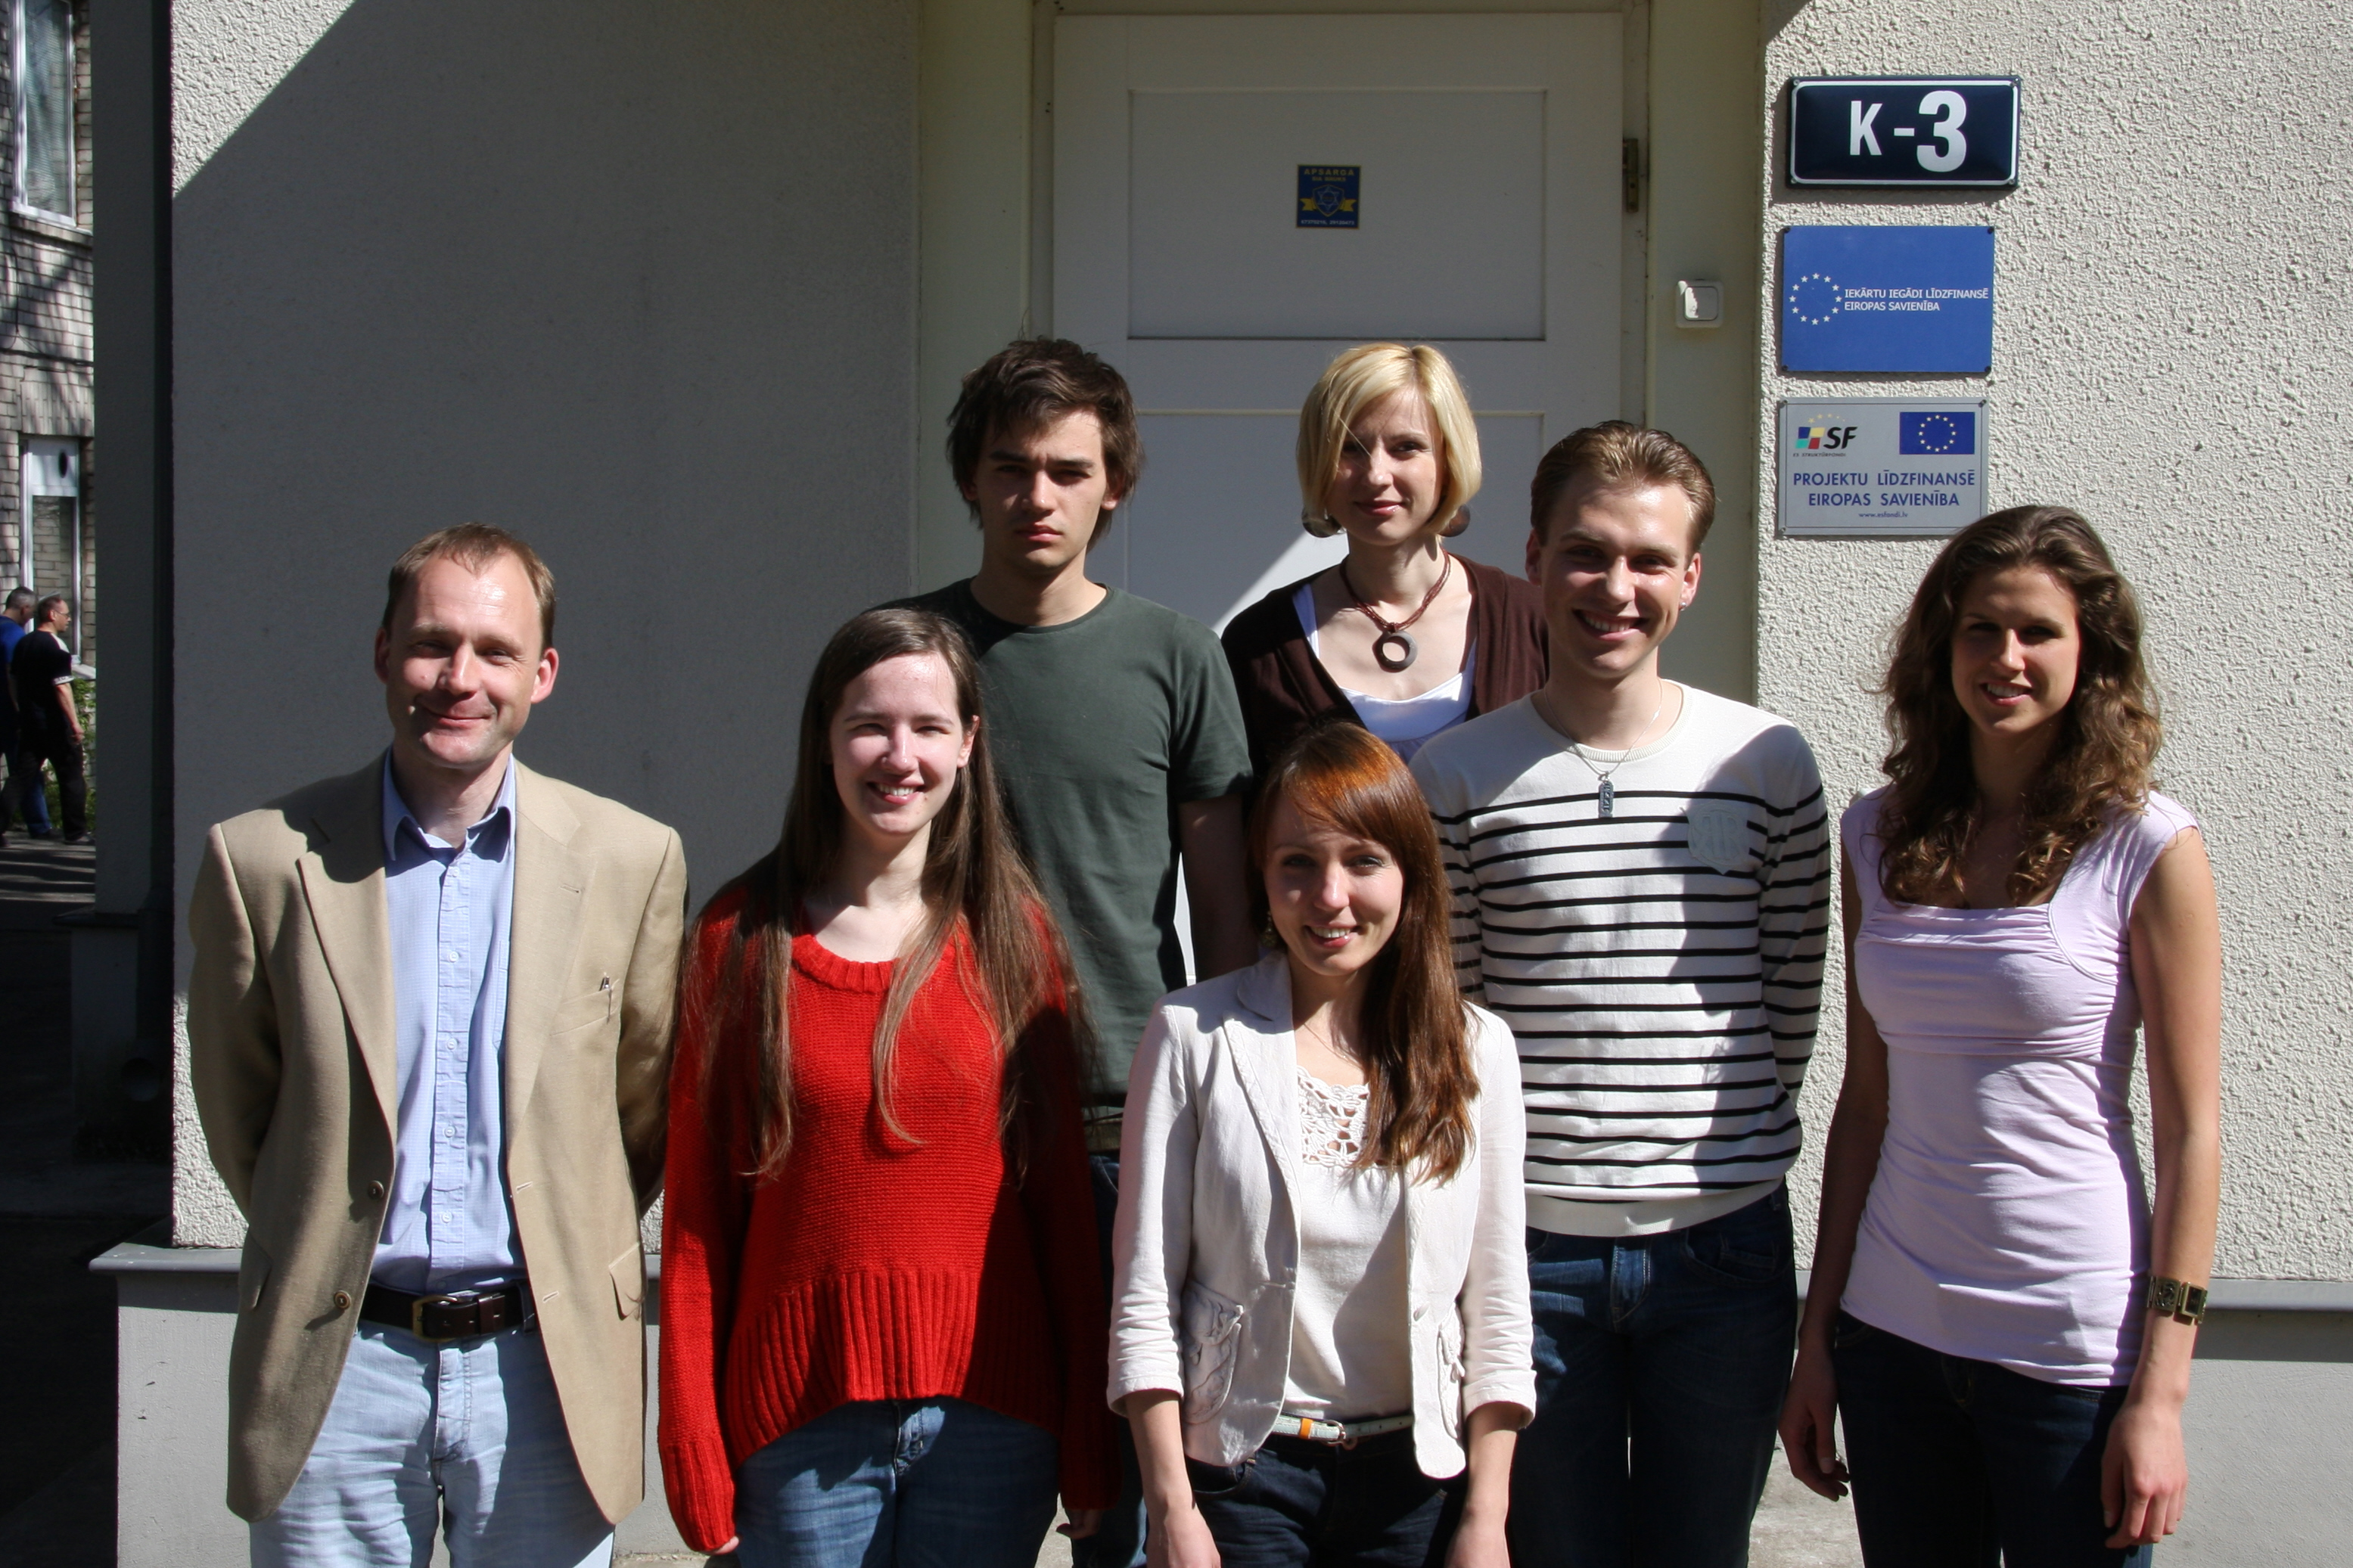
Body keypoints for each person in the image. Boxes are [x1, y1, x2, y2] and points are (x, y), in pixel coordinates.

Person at [187, 524, 688, 1566]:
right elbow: (244, 1114)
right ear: (384, 654)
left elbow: (641, 1111)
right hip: (338, 1361)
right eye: (431, 644)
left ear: (541, 675)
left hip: (543, 1365)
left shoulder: (631, 859)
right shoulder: (264, 860)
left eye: (496, 651)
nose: (460, 678)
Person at [1410, 422, 1831, 1566]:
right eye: (1586, 554)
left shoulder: (1766, 764)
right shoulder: (1455, 775)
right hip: (1529, 1246)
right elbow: (1458, 1018)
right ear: (1535, 558)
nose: (1615, 587)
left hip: (1723, 1245)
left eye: (1649, 560)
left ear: (1690, 577)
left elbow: (1787, 995)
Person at [1779, 507, 2222, 1566]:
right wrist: (1817, 1337)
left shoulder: (2146, 844)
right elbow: (1866, 1104)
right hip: (1891, 1336)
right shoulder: (1873, 830)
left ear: (2090, 652)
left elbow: (2191, 1135)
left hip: (2067, 1347)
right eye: (1980, 629)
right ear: (1941, 648)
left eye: (2037, 631)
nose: (2005, 658)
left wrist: (2159, 1394)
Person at [658, 607, 1118, 1566]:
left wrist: (1088, 1431)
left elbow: (1062, 1213)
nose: (899, 757)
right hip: (797, 1427)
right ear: (824, 738)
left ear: (967, 744)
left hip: (993, 1424)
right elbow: (699, 1221)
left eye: (928, 727)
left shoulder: (1014, 936)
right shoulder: (739, 940)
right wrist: (691, 1443)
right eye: (869, 725)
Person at [900, 337, 1257, 1568]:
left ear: (1115, 485)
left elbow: (1223, 911)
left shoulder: (1177, 657)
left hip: (1121, 1114)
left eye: (1067, 470)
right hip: (943, 1113)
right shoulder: (910, 655)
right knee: (963, 1478)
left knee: (1130, 1493)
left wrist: (1224, 1096)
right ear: (970, 479)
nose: (1036, 496)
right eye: (1010, 467)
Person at [1111, 720, 1533, 1568]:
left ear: (1411, 873)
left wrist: (1486, 1519)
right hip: (1242, 1477)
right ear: (1261, 876)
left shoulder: (1475, 1048)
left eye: (1363, 861)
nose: (1330, 896)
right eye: (1297, 863)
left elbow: (1496, 1305)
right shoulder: (1194, 1034)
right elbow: (1144, 1295)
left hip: (1415, 1486)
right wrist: (1171, 1510)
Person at [1223, 343, 1546, 772]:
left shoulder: (1536, 623)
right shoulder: (1259, 644)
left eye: (1406, 447)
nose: (1376, 475)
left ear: (1449, 461)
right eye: (1350, 448)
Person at [2, 592, 85, 843]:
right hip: (55, 724)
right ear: (52, 614)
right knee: (71, 777)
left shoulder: (24, 643)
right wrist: (74, 723)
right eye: (66, 615)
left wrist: (21, 710)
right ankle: (75, 832)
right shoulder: (55, 646)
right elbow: (62, 687)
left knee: (20, 778)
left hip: (31, 724)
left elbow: (13, 681)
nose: (68, 619)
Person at [0, 585, 56, 837]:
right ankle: (39, 825)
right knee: (25, 771)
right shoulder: (13, 635)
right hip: (9, 715)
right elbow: (13, 677)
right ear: (24, 609)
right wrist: (22, 711)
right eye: (31, 612)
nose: (31, 617)